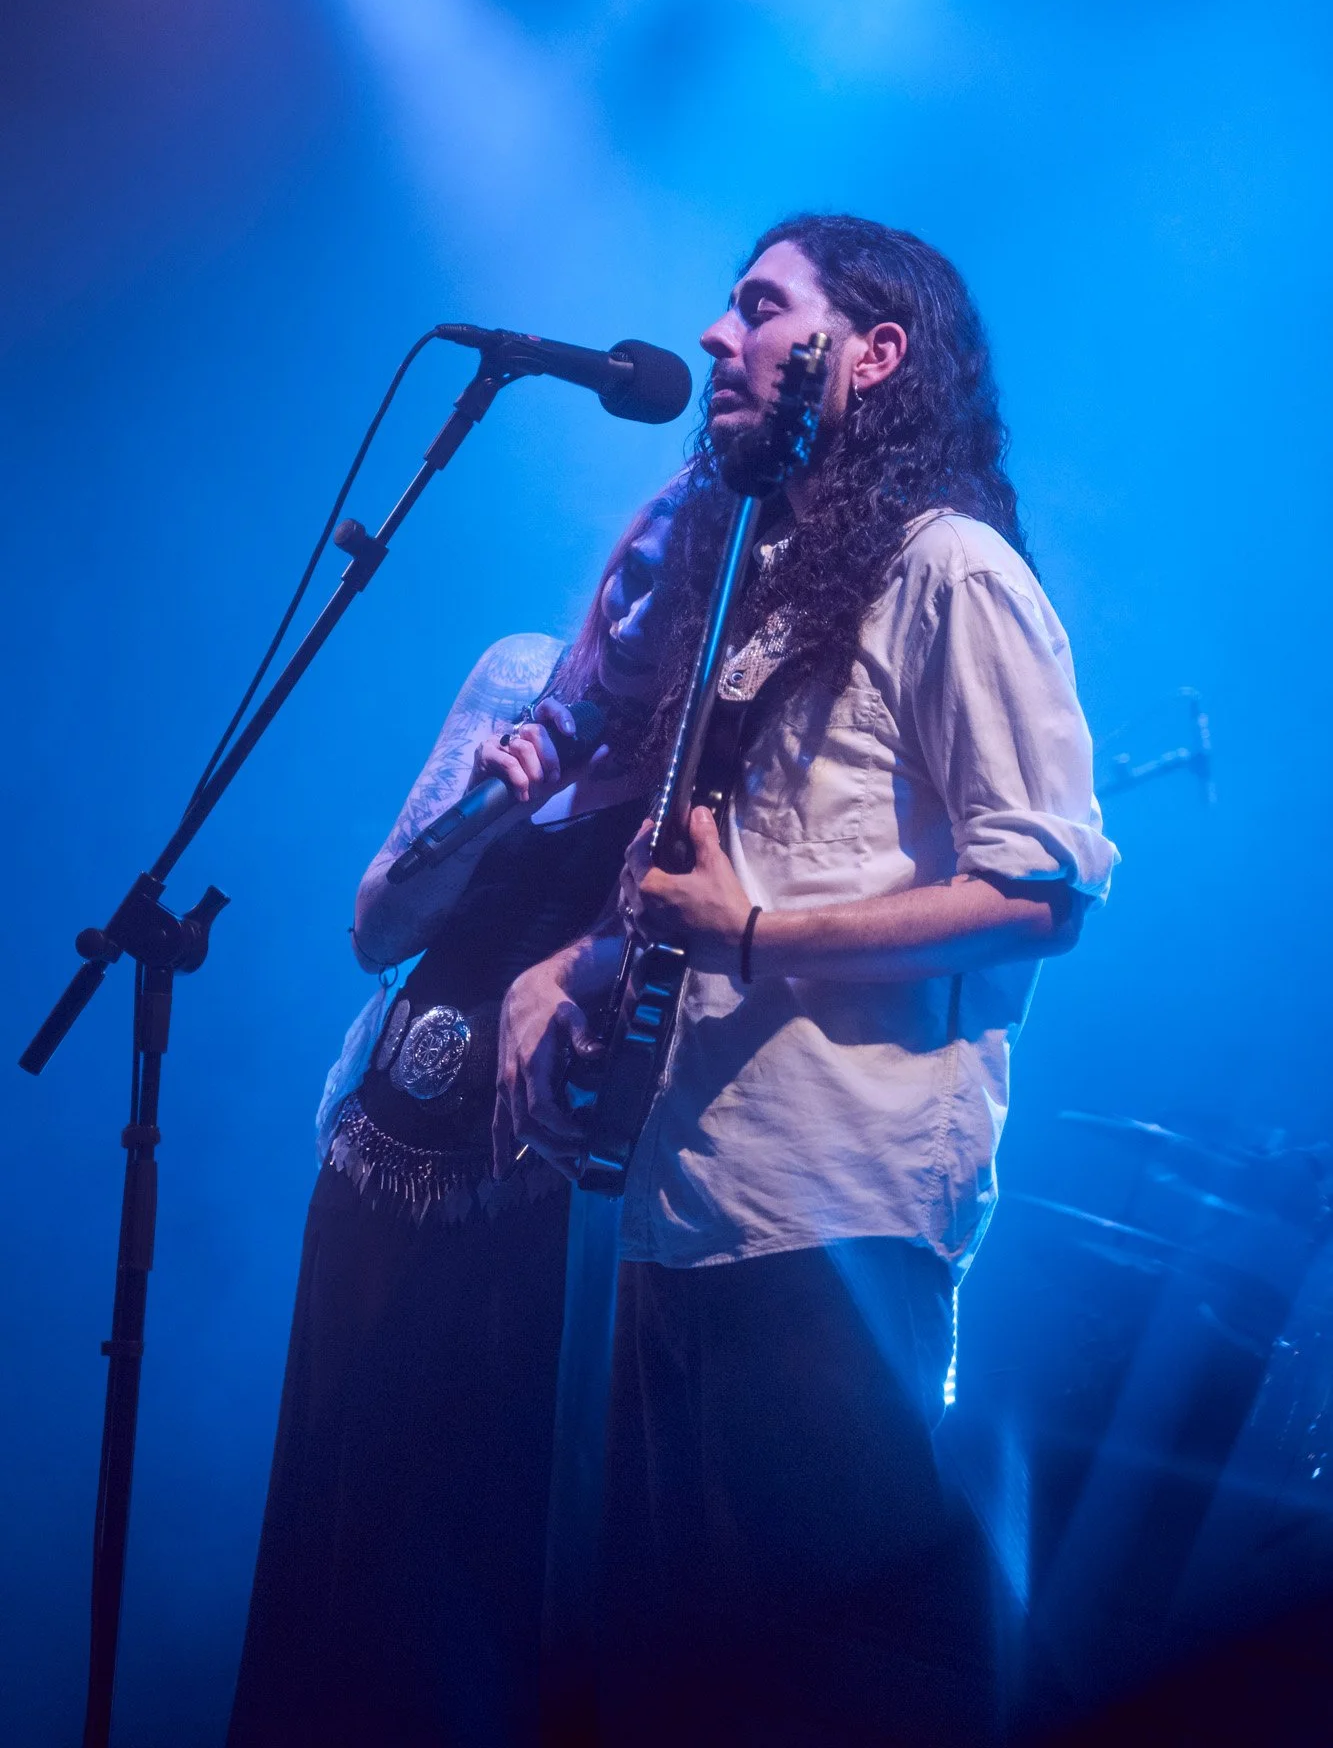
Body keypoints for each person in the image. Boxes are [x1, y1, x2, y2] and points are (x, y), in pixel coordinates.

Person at [494, 215, 1119, 1745]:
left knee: (824, 1694)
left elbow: (1042, 890)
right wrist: (565, 969)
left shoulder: (951, 572)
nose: (716, 336)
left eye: (759, 307)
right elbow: (734, 863)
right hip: (680, 1209)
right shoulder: (763, 588)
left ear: (870, 350)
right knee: (668, 1687)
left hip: (836, 1212)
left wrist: (759, 938)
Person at [226, 482, 680, 1748]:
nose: (634, 606)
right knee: (325, 1509)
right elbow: (376, 927)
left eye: (672, 585)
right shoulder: (522, 677)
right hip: (370, 1164)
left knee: (446, 1559)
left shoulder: (703, 754)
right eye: (626, 572)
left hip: (524, 1204)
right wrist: (484, 811)